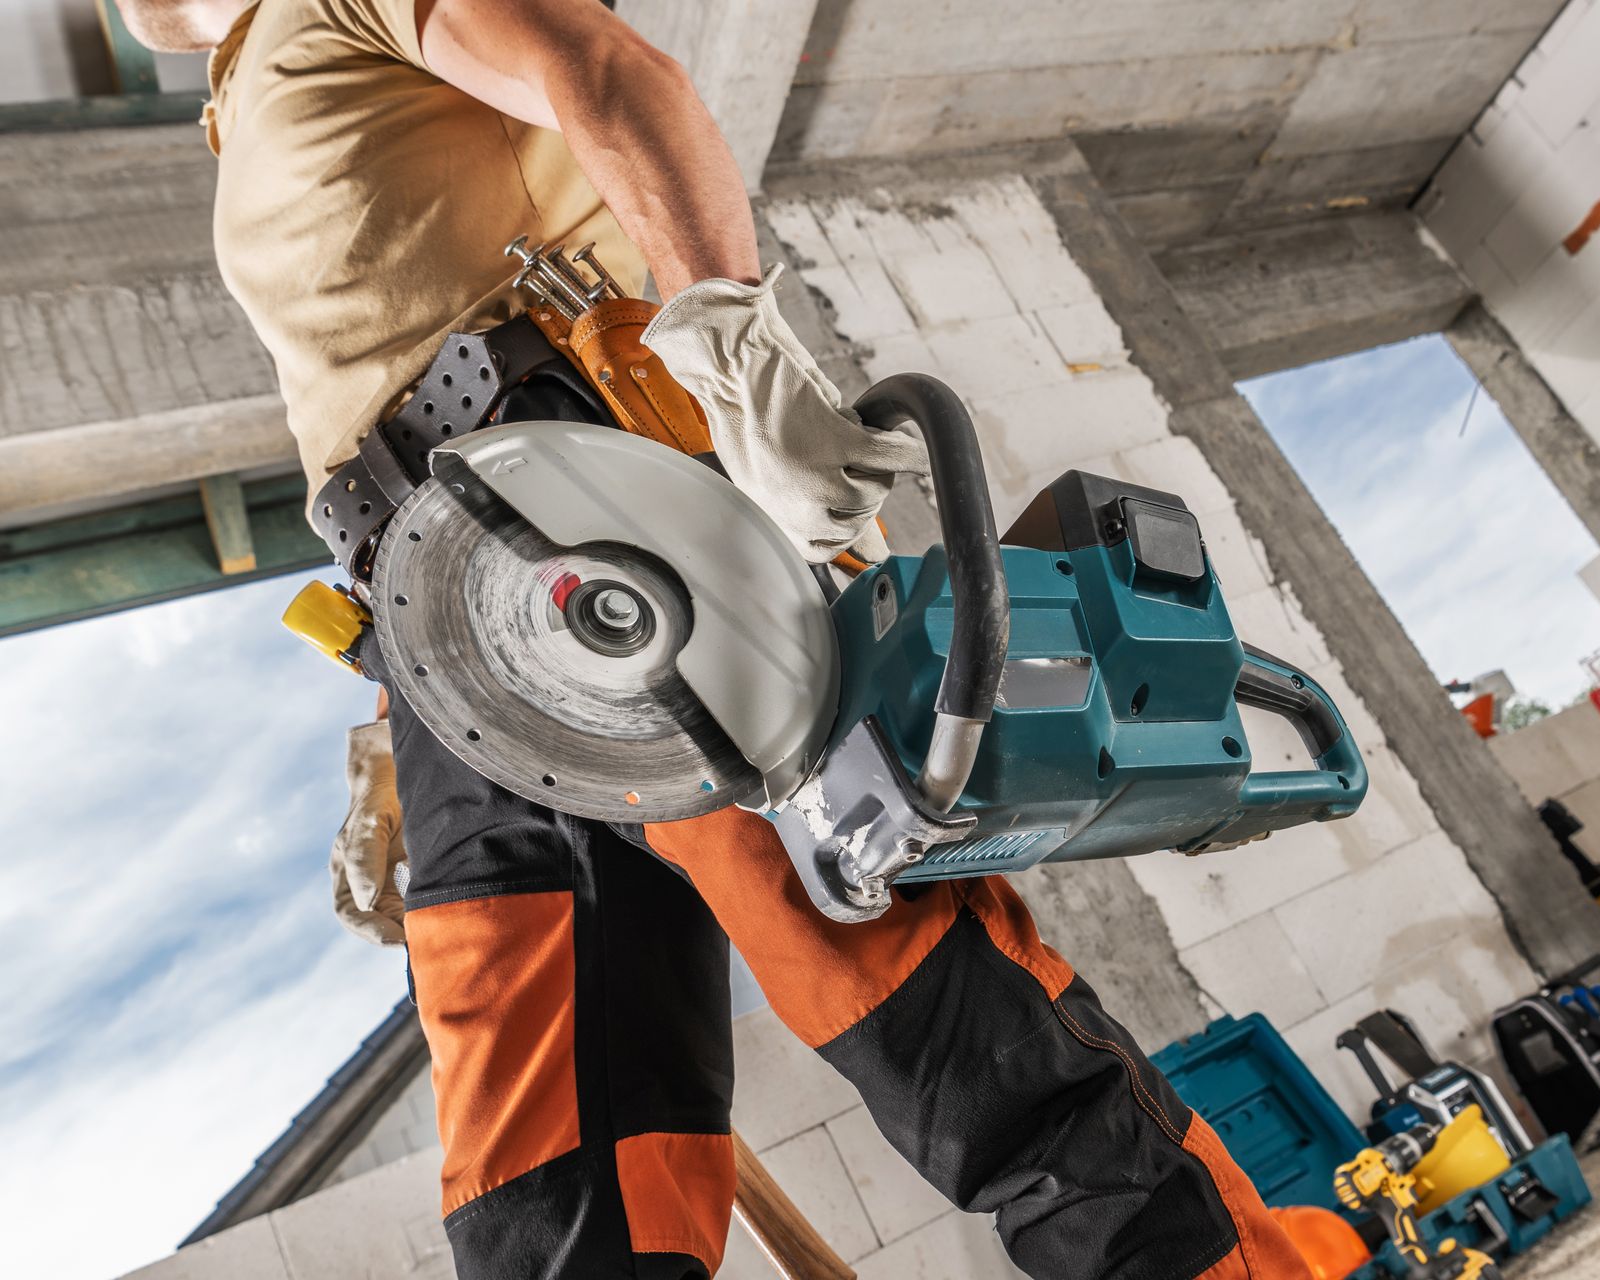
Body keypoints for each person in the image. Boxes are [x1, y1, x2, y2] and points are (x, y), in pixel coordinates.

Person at [125, 1, 1350, 1275]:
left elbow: (607, 71)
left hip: (614, 524)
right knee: (542, 1173)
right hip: (453, 637)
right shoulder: (236, 94)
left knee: (915, 1006)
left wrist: (734, 342)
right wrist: (405, 699)